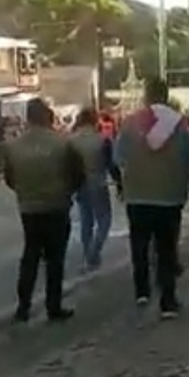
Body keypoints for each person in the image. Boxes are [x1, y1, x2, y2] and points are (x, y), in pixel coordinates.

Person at [115, 78, 189, 317]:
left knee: (139, 245)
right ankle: (167, 301)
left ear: (146, 96)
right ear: (166, 95)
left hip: (137, 195)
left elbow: (118, 157)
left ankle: (142, 290)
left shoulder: (130, 123)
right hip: (170, 196)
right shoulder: (179, 124)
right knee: (166, 249)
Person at [4, 97, 85, 323]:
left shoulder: (14, 146)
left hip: (29, 207)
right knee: (55, 259)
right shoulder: (62, 143)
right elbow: (78, 174)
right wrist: (66, 191)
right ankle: (53, 305)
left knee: (30, 255)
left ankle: (23, 306)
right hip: (56, 205)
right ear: (47, 116)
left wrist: (25, 191)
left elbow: (10, 177)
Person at [70, 107, 122, 270]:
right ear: (94, 120)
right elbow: (111, 165)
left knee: (86, 221)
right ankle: (94, 251)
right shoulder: (102, 140)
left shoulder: (71, 141)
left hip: (79, 184)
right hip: (98, 183)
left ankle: (88, 254)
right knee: (104, 220)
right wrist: (119, 183)